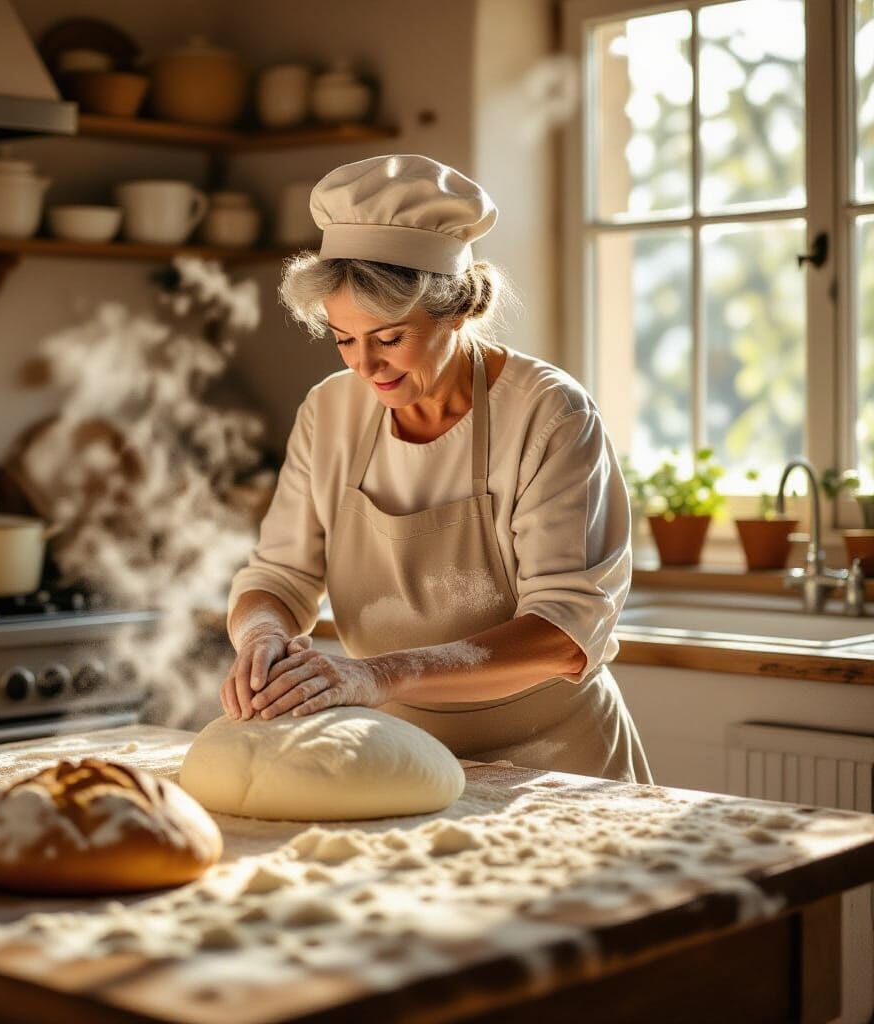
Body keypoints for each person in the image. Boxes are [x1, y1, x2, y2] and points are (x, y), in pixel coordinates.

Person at [221, 153, 651, 782]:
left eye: (389, 338)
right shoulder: (330, 411)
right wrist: (261, 638)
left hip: (553, 762)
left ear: (457, 311)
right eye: (344, 340)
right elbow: (280, 577)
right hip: (398, 756)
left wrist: (376, 674)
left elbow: (565, 632)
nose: (365, 367)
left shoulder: (549, 413)